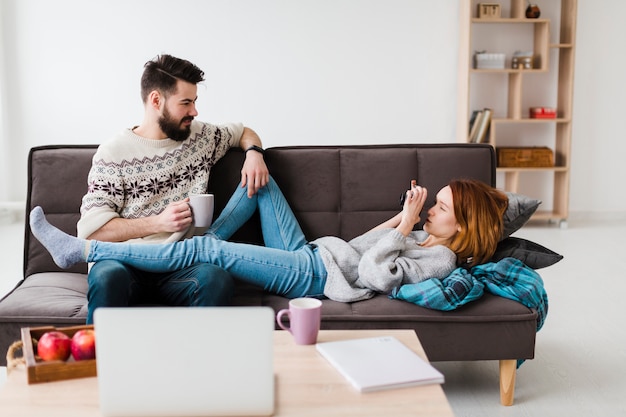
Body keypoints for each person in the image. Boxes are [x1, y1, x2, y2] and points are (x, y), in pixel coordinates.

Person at [31, 177, 508, 303]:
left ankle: (83, 249)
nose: (429, 210)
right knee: (262, 184)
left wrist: (403, 229)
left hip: (315, 276)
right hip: (314, 251)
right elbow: (360, 243)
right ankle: (193, 247)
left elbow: (371, 276)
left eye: (441, 207)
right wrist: (399, 222)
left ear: (463, 226)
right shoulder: (424, 235)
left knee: (207, 249)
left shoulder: (442, 260)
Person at [77, 54, 269, 323]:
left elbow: (243, 131)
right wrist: (157, 223)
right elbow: (92, 231)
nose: (194, 111)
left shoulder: (200, 137)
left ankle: (200, 363)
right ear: (156, 100)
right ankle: (97, 364)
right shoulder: (113, 154)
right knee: (106, 276)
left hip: (181, 265)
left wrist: (254, 154)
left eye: (195, 102)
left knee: (215, 278)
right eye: (186, 103)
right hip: (125, 264)